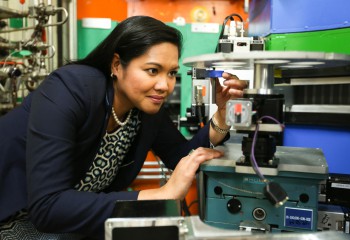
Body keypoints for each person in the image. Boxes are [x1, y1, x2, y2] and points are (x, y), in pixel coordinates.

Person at [0, 16, 247, 239]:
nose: (165, 85)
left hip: (72, 220)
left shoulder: (145, 108)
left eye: (171, 73)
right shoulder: (69, 89)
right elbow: (48, 207)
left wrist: (222, 116)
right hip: (17, 216)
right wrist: (160, 195)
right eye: (153, 70)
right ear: (117, 65)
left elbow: (180, 157)